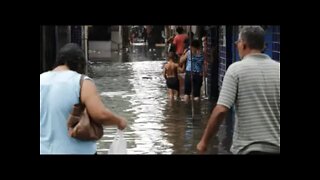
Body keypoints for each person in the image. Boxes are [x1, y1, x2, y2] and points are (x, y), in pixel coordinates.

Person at [197, 26, 280, 154]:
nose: (237, 45)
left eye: (238, 42)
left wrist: (204, 142)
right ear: (263, 45)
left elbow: (221, 110)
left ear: (244, 45)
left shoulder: (236, 70)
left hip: (248, 149)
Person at [40, 43, 127, 154]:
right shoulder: (81, 82)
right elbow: (100, 114)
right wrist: (119, 121)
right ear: (79, 64)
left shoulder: (41, 79)